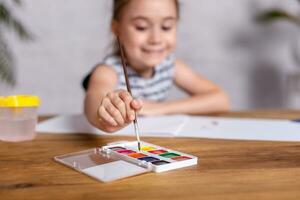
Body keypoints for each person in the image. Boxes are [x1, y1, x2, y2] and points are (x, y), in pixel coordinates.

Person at [83, 0, 229, 133]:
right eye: (141, 27)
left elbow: (220, 100)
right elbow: (94, 101)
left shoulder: (170, 66)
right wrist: (104, 116)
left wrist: (159, 109)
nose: (156, 39)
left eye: (166, 27)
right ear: (117, 29)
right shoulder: (107, 71)